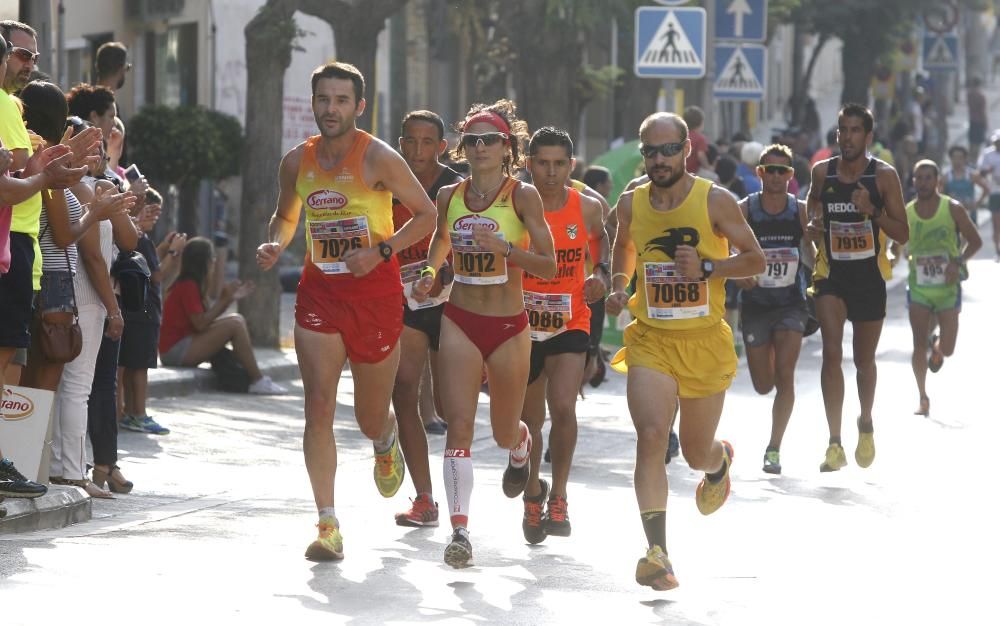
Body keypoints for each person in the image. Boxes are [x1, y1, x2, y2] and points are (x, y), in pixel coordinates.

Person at [256, 62, 436, 562]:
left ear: (359, 106)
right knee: (318, 405)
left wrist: (381, 252)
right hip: (319, 297)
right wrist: (275, 244)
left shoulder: (378, 157)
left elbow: (426, 216)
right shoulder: (297, 162)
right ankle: (327, 523)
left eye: (340, 100)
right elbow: (286, 215)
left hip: (375, 297)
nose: (330, 109)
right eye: (322, 99)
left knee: (368, 415)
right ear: (312, 103)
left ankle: (384, 439)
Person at [606, 112, 764, 591]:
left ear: (685, 150)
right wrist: (618, 284)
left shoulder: (714, 200)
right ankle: (657, 552)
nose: (658, 160)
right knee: (652, 435)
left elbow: (755, 262)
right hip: (651, 337)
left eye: (667, 150)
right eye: (650, 152)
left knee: (695, 451)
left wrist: (709, 266)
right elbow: (622, 247)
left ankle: (718, 463)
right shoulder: (632, 200)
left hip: (703, 342)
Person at [411, 99, 556, 568]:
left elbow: (550, 265)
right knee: (459, 425)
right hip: (460, 320)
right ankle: (459, 532)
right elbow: (440, 241)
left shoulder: (523, 196)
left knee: (502, 429)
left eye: (488, 140)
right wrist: (432, 271)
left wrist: (507, 249)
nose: (479, 148)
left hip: (510, 327)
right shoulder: (448, 196)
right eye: (471, 141)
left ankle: (520, 448)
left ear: (506, 147)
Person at [807, 103, 909, 472]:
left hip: (868, 276)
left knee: (864, 362)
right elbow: (812, 208)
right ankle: (834, 442)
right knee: (831, 353)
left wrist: (872, 211)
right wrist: (813, 227)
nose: (847, 138)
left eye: (854, 131)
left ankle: (864, 423)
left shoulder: (883, 177)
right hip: (831, 275)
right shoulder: (822, 172)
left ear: (868, 137)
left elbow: (903, 232)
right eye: (842, 131)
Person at [518, 127, 608, 544]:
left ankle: (560, 495)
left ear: (571, 166)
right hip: (522, 322)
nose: (550, 173)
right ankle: (532, 492)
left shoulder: (587, 208)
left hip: (571, 320)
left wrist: (600, 273)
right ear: (528, 163)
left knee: (564, 408)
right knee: (530, 420)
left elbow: (600, 240)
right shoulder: (515, 206)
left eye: (559, 164)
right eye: (542, 163)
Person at [55, 127, 138, 498]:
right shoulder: (71, 186)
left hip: (90, 301)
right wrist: (113, 307)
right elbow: (91, 257)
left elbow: (129, 240)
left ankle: (67, 468)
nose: (95, 156)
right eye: (88, 148)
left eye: (100, 150)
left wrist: (113, 197)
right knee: (75, 388)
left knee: (76, 388)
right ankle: (70, 473)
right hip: (80, 297)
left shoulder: (98, 185)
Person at [390, 109, 463, 528]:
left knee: (455, 408)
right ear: (401, 144)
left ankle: (458, 501)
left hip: (454, 301)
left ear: (442, 147)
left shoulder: (456, 188)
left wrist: (442, 273)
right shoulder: (387, 183)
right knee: (404, 391)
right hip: (408, 301)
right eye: (410, 141)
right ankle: (425, 499)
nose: (418, 150)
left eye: (426, 142)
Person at [733, 145, 813, 474]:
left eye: (784, 171)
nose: (777, 176)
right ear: (760, 173)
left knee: (785, 377)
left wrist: (821, 272)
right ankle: (764, 352)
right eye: (771, 170)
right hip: (755, 305)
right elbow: (726, 245)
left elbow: (814, 247)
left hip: (791, 304)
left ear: (791, 176)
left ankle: (774, 447)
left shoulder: (800, 210)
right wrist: (740, 273)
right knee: (763, 385)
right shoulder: (745, 209)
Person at [905, 160, 981, 416]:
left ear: (937, 181)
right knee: (917, 344)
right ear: (913, 181)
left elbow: (975, 241)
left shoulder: (953, 208)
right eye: (918, 178)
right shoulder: (908, 212)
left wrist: (957, 261)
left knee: (948, 349)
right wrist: (895, 253)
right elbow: (897, 243)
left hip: (948, 288)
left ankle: (937, 349)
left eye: (928, 177)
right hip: (919, 287)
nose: (923, 182)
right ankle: (922, 396)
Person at [160, 236, 284, 392]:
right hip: (175, 351)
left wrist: (228, 299)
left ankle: (254, 378)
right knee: (235, 323)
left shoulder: (193, 285)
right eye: (212, 259)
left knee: (235, 321)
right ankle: (257, 380)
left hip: (183, 344)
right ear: (203, 262)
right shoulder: (187, 286)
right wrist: (225, 300)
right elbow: (201, 324)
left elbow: (204, 323)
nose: (214, 263)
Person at [119, 188, 187, 435]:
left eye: (156, 213)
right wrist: (175, 251)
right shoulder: (139, 238)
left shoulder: (140, 239)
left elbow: (149, 263)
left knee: (132, 363)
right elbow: (157, 275)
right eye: (150, 211)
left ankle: (129, 412)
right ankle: (138, 413)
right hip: (143, 313)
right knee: (140, 366)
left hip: (135, 310)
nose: (153, 217)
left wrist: (163, 248)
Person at [941, 145, 988, 228]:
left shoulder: (971, 175)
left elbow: (986, 188)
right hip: (952, 215)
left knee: (969, 239)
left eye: (960, 158)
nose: (957, 160)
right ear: (951, 158)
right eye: (954, 157)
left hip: (969, 214)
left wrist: (978, 203)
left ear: (965, 159)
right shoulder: (946, 177)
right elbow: (940, 195)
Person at [976, 131, 1000, 260]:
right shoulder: (988, 154)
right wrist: (989, 171)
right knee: (996, 223)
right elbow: (980, 172)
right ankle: (997, 249)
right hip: (995, 191)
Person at [966, 77, 988, 163]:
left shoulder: (969, 94)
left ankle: (969, 160)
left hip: (972, 120)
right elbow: (982, 111)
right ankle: (974, 162)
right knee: (977, 144)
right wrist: (986, 124)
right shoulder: (981, 96)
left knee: (971, 143)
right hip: (979, 121)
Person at [683, 106, 709, 175]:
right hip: (694, 172)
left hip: (680, 171)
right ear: (701, 123)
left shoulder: (681, 136)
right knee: (714, 177)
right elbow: (700, 155)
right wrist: (708, 167)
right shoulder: (700, 138)